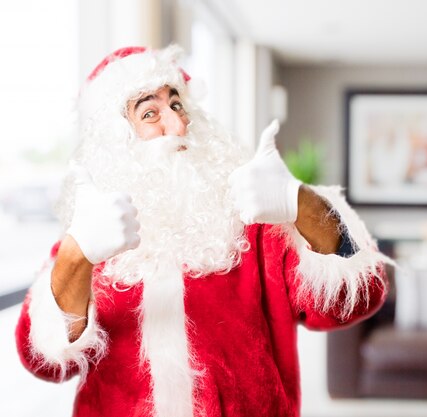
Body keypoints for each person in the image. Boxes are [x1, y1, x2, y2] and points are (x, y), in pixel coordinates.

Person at [15, 45, 388, 417]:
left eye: (177, 105)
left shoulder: (254, 223)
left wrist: (301, 202)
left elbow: (356, 297)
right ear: (116, 145)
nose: (178, 125)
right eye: (150, 113)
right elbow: (45, 362)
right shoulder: (89, 234)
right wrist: (76, 254)